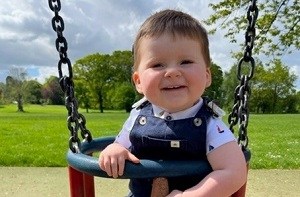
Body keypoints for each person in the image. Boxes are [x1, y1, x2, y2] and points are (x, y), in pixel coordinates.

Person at [99, 9, 247, 197]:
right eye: (157, 65)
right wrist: (114, 151)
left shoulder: (210, 124)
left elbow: (234, 171)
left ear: (207, 75)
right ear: (138, 82)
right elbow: (121, 145)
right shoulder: (138, 116)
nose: (172, 72)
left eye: (185, 61)